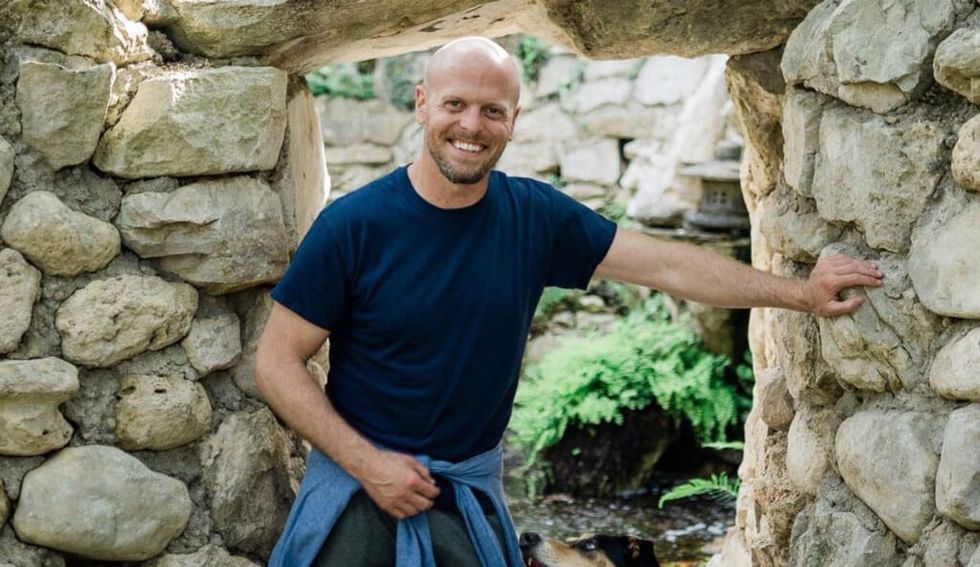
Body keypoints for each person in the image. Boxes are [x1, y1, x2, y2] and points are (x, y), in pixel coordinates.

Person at [255, 37, 883, 567]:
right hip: (358, 502)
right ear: (422, 105)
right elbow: (277, 363)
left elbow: (666, 264)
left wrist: (799, 293)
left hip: (465, 507)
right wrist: (369, 464)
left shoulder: (534, 217)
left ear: (514, 120)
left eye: (492, 110)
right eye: (456, 104)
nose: (472, 125)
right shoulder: (353, 227)